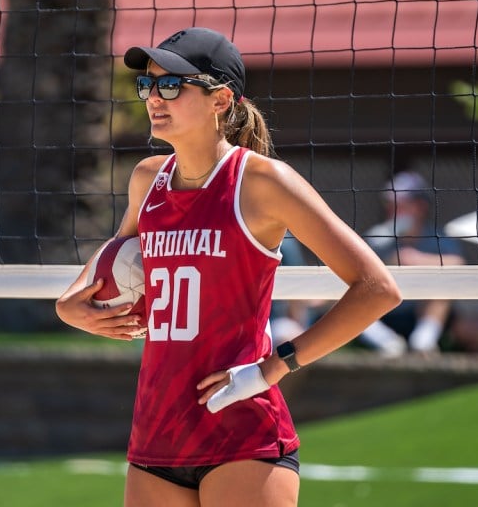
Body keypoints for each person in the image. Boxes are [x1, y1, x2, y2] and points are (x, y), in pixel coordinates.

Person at [56, 27, 401, 507]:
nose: (154, 97)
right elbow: (109, 262)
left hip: (242, 429)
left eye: (172, 85)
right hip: (158, 431)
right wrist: (71, 308)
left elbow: (377, 288)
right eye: (148, 85)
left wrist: (275, 367)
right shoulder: (146, 179)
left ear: (220, 100)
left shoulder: (262, 182)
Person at [362, 171, 465, 354]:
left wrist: (417, 260)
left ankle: (422, 344)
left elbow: (458, 264)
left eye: (399, 204)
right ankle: (387, 344)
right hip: (384, 313)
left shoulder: (438, 237)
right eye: (390, 204)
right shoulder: (376, 238)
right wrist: (386, 262)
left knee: (444, 286)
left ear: (420, 206)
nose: (391, 210)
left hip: (419, 314)